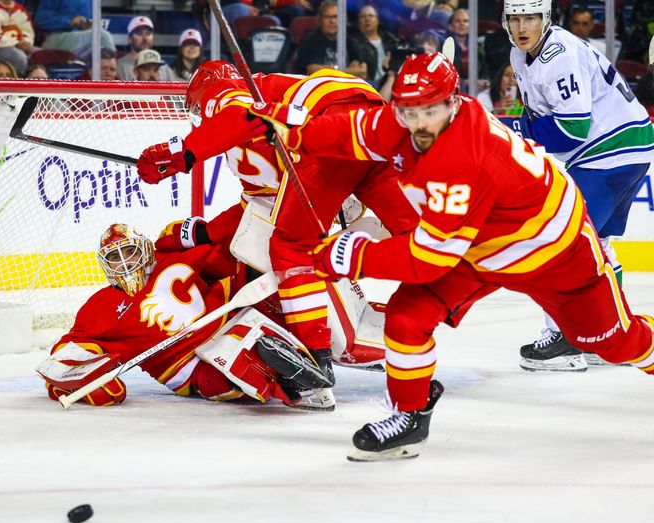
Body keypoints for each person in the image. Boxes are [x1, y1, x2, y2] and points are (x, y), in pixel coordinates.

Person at [248, 52, 654, 461]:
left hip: (550, 249)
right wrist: (292, 125)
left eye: (430, 111)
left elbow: (427, 259)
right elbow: (352, 131)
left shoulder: (464, 157)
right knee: (408, 317)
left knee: (614, 342)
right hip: (476, 246)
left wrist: (351, 256)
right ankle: (409, 416)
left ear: (454, 102)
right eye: (409, 112)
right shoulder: (405, 121)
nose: (420, 124)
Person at [136, 61, 420, 382]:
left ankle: (315, 356)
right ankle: (431, 311)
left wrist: (183, 151)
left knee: (290, 246)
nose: (201, 119)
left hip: (330, 127)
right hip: (374, 127)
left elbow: (240, 116)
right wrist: (206, 231)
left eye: (199, 112)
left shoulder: (228, 92)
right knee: (423, 238)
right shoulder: (265, 119)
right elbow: (258, 206)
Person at [38, 223, 334, 409]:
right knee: (228, 360)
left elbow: (228, 248)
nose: (124, 261)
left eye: (128, 251)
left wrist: (190, 232)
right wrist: (76, 373)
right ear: (105, 265)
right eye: (115, 257)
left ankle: (318, 339)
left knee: (262, 270)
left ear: (144, 249)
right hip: (188, 364)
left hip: (229, 317)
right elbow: (71, 348)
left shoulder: (173, 259)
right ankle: (295, 385)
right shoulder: (100, 305)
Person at [506, 0, 654, 370]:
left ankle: (570, 340)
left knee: (561, 241)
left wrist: (510, 130)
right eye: (515, 18)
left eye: (531, 18)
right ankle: (610, 334)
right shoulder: (520, 54)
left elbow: (572, 132)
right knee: (596, 241)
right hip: (627, 145)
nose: (523, 26)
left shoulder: (558, 56)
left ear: (546, 19)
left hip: (609, 151)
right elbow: (539, 115)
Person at [295, 0, 368, 79]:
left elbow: (363, 71)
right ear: (320, 20)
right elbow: (313, 70)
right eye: (327, 17)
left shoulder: (351, 42)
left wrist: (328, 69)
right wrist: (348, 71)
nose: (332, 21)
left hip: (345, 87)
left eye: (335, 17)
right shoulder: (311, 40)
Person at [33, 0, 115, 63]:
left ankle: (106, 78)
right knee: (102, 36)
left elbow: (89, 20)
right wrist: (69, 22)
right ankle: (116, 78)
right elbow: (41, 20)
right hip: (56, 38)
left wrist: (88, 25)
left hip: (81, 40)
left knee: (101, 49)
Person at [352, 4, 401, 87]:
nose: (367, 19)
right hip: (368, 84)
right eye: (363, 16)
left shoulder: (390, 39)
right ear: (358, 21)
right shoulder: (354, 42)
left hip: (391, 81)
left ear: (378, 20)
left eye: (371, 16)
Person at [0, 0, 35, 76]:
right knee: (19, 57)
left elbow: (28, 31)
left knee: (39, 54)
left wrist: (27, 42)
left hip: (20, 46)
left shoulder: (21, 9)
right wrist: (16, 43)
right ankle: (17, 83)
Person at [117, 16, 175, 82]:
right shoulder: (120, 66)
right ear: (129, 39)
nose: (145, 38)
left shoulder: (164, 68)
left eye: (148, 33)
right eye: (139, 33)